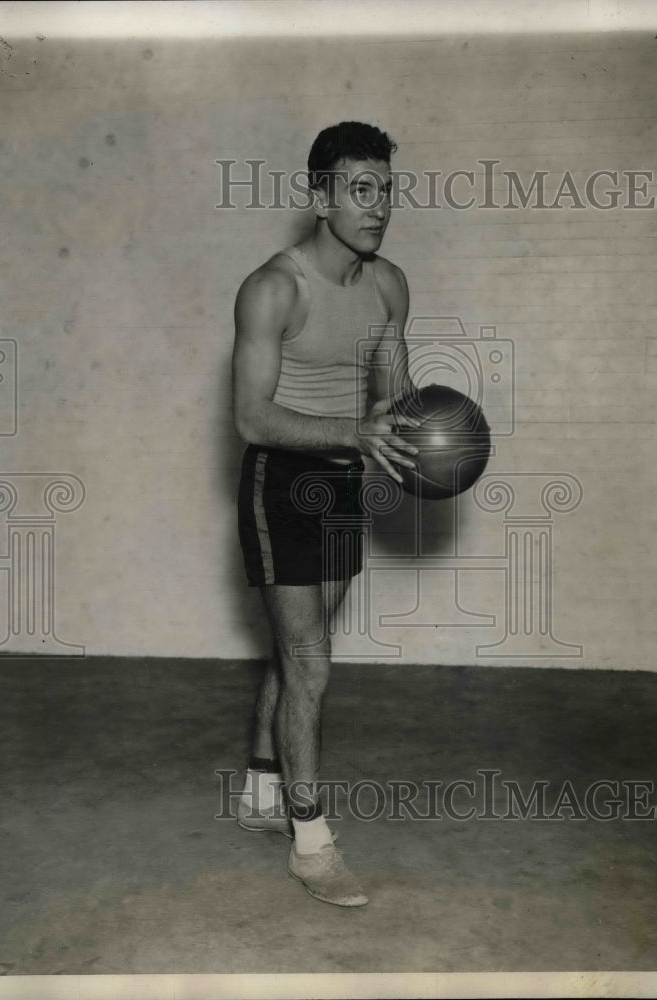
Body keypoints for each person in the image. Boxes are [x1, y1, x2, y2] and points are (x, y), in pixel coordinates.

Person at [232, 121, 417, 907]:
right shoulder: (274, 287)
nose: (376, 207)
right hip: (282, 482)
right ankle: (312, 843)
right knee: (309, 660)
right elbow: (249, 416)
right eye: (359, 189)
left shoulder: (388, 285)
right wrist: (354, 431)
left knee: (299, 650)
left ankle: (258, 789)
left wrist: (427, 434)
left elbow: (392, 389)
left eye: (385, 189)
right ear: (319, 195)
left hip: (343, 485)